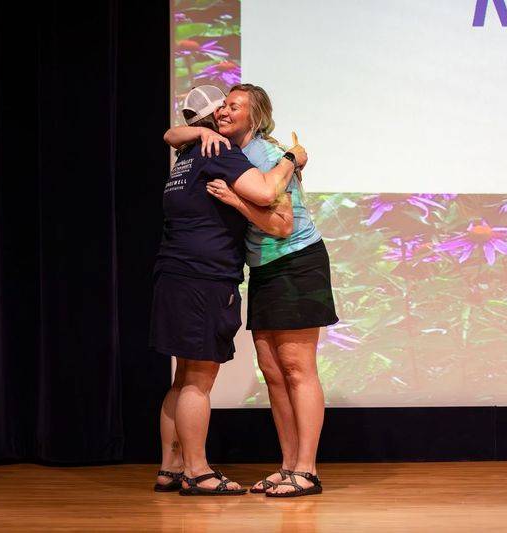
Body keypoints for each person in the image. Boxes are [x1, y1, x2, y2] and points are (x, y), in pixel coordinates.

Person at [164, 84, 338, 498]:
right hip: (262, 268)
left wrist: (236, 201)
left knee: (297, 369)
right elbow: (172, 134)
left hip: (296, 262)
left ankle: (307, 470)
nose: (223, 111)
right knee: (274, 374)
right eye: (223, 105)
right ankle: (288, 465)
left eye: (234, 107)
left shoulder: (262, 156)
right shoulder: (225, 150)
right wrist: (197, 133)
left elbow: (281, 226)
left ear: (255, 117)